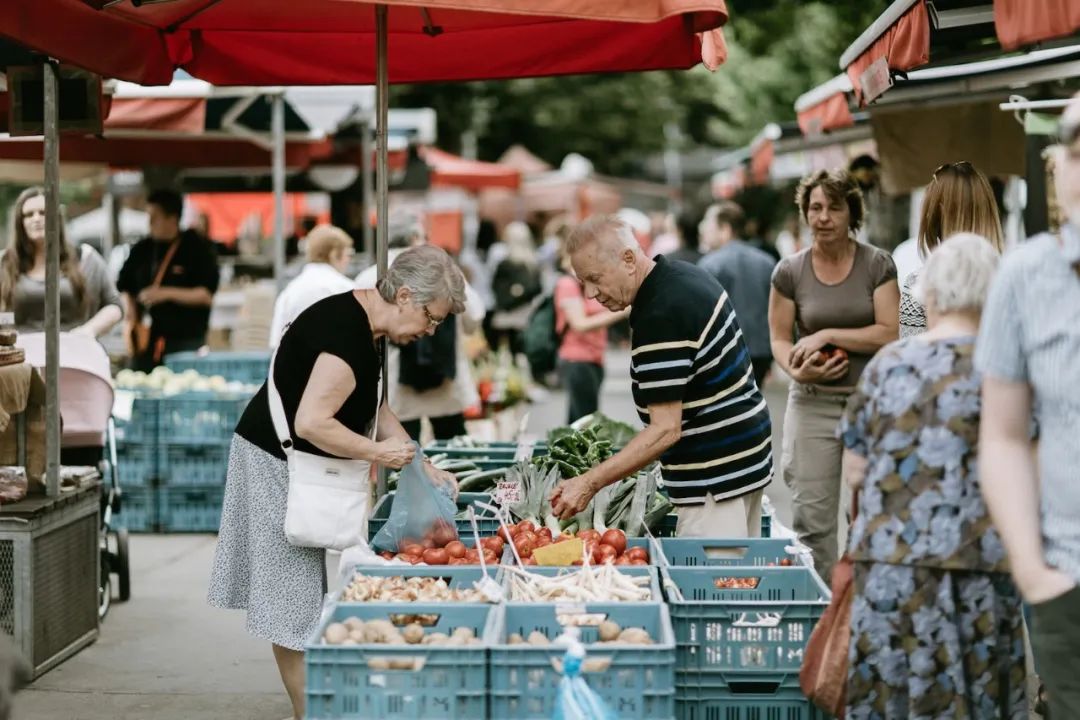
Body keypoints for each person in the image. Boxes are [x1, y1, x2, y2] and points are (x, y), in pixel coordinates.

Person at [208, 245, 466, 720]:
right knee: (290, 600)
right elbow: (311, 422)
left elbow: (376, 407)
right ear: (405, 296)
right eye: (432, 318)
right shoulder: (343, 336)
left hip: (297, 466)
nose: (431, 331)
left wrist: (419, 463)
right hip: (275, 462)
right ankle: (307, 711)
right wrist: (377, 453)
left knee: (302, 592)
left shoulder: (365, 325)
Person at [839, 233, 1026, 719]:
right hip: (980, 571)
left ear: (932, 294)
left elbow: (855, 472)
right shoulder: (1008, 372)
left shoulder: (887, 366)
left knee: (893, 696)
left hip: (891, 569)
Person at [550, 216, 773, 539]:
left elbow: (665, 429)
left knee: (712, 583)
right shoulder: (682, 275)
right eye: (583, 282)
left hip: (713, 478)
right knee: (735, 580)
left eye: (595, 278)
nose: (590, 293)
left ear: (628, 259)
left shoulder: (660, 313)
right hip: (742, 460)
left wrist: (589, 482)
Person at [976, 98, 1080, 720]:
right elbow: (1005, 435)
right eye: (1076, 148)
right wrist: (1032, 570)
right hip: (1067, 577)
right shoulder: (1024, 277)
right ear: (1060, 167)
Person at [768, 169, 899, 583]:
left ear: (851, 213)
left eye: (834, 207)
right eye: (815, 207)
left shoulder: (876, 264)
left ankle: (862, 607)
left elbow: (889, 331)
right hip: (811, 403)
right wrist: (795, 366)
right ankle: (823, 612)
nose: (823, 217)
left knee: (869, 512)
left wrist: (826, 333)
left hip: (869, 403)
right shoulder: (790, 271)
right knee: (812, 520)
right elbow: (777, 339)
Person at [357, 216, 485, 442]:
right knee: (453, 446)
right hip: (445, 377)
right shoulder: (443, 269)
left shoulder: (372, 275)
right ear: (416, 237)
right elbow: (474, 316)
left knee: (403, 448)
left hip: (395, 380)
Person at [117, 189, 220, 370]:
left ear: (172, 219)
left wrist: (164, 294)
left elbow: (205, 295)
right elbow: (124, 284)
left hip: (185, 339)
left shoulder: (196, 248)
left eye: (155, 217)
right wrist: (130, 312)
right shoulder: (143, 249)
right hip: (147, 338)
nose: (149, 223)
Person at [900, 161, 1003, 338]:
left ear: (936, 214)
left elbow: (911, 355)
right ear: (989, 209)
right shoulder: (1012, 277)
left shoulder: (920, 286)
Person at [1, 187, 122, 337]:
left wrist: (89, 330)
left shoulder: (85, 258)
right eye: (28, 215)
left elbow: (114, 305)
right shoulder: (4, 262)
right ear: (20, 222)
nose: (36, 219)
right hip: (19, 355)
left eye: (43, 213)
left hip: (74, 353)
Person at [698, 201, 777, 387]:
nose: (703, 231)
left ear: (725, 229)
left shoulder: (710, 264)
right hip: (761, 350)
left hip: (724, 352)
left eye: (708, 226)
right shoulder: (767, 262)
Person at [554, 244, 628, 424]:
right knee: (585, 422)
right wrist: (622, 312)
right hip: (577, 360)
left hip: (594, 359)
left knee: (578, 421)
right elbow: (579, 324)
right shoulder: (567, 284)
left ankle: (565, 451)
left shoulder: (586, 284)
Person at [269, 225, 356, 347]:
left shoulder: (289, 292)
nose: (349, 260)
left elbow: (276, 343)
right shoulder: (346, 289)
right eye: (349, 254)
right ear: (334, 253)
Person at [488, 221, 542, 355]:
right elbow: (536, 288)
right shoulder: (533, 263)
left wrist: (513, 296)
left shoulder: (507, 264)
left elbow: (497, 289)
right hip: (527, 316)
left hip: (509, 318)